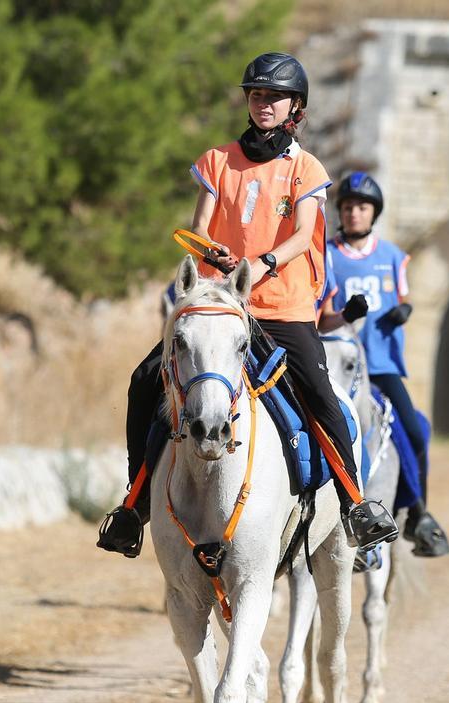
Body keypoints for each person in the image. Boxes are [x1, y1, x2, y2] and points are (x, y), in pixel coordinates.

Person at [98, 52, 399, 558]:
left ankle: (354, 504)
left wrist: (261, 264)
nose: (265, 103)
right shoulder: (218, 161)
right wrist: (208, 249)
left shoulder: (306, 168)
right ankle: (134, 505)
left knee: (322, 396)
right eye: (257, 94)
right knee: (145, 379)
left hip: (282, 307)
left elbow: (304, 235)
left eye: (275, 96)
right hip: (221, 304)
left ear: (295, 107)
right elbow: (198, 228)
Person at [320, 172, 449, 557]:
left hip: (381, 365)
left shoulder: (393, 257)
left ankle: (418, 515)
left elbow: (404, 297)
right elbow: (321, 318)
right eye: (347, 207)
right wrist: (344, 315)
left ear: (373, 212)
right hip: (338, 363)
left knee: (415, 430)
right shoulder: (327, 255)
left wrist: (404, 311)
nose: (354, 213)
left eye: (361, 207)